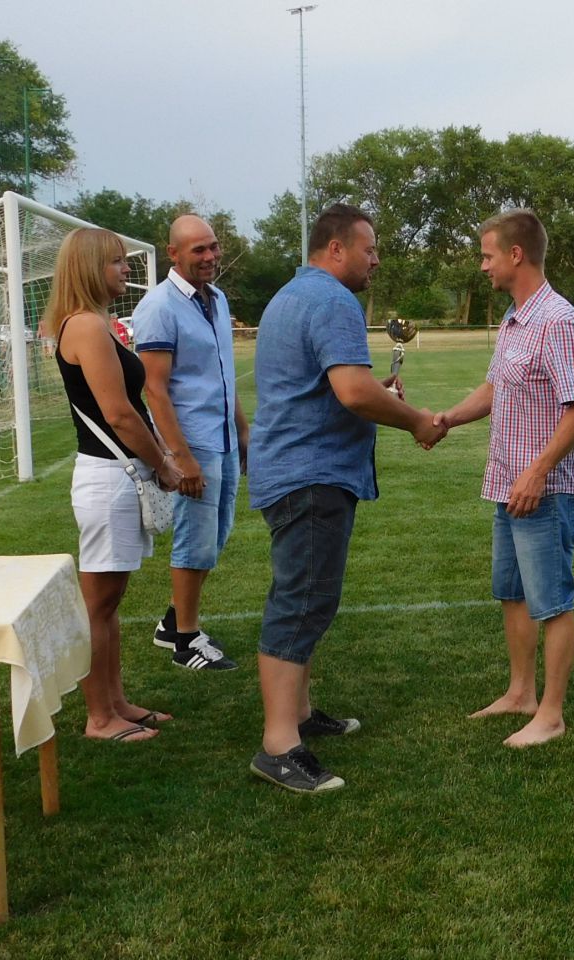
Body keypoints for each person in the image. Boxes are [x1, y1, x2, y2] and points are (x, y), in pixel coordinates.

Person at [246, 203, 446, 793]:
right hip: (310, 474)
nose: (376, 259)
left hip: (294, 469)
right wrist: (415, 419)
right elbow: (354, 392)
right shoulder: (334, 300)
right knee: (302, 601)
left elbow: (327, 386)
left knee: (306, 597)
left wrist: (377, 390)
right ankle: (279, 746)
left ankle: (300, 713)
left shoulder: (290, 296)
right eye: (369, 248)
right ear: (335, 249)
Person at [434, 209, 574, 749]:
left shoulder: (559, 321)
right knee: (512, 592)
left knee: (552, 601)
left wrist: (536, 472)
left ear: (516, 254)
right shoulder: (513, 319)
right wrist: (445, 419)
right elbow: (494, 389)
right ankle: (521, 693)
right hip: (509, 486)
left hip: (544, 490)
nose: (483, 266)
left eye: (487, 256)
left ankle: (551, 714)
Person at [42, 227, 185, 743]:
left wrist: (160, 455)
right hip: (109, 478)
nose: (126, 269)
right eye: (116, 262)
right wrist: (164, 464)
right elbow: (119, 414)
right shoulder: (84, 326)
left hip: (114, 475)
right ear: (89, 267)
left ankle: (116, 702)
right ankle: (99, 718)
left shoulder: (92, 323)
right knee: (98, 606)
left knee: (108, 604)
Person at [132, 215, 248, 672]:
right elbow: (155, 389)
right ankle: (186, 640)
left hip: (223, 437)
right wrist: (180, 457)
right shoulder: (159, 306)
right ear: (173, 253)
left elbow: (223, 374)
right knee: (195, 538)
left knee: (215, 536)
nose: (210, 256)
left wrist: (242, 429)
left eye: (213, 246)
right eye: (199, 249)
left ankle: (173, 621)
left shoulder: (216, 298)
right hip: (192, 442)